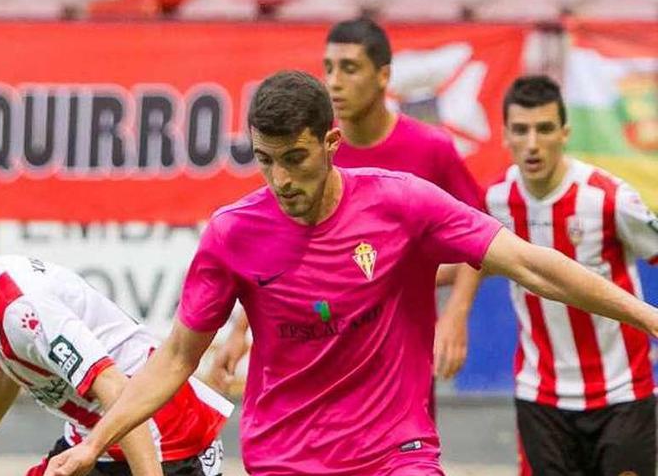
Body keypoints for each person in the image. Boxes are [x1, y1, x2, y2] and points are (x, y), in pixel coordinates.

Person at [44, 71, 658, 476]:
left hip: (398, 451)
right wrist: (97, 444)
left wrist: (647, 315)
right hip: (285, 456)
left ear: (332, 141)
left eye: (295, 158)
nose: (281, 179)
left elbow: (530, 263)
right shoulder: (232, 233)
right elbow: (176, 358)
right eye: (265, 160)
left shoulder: (402, 202)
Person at [208, 18, 483, 393]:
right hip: (322, 336)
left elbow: (479, 235)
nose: (334, 81)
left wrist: (456, 312)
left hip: (402, 340)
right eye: (329, 68)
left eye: (349, 68)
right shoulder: (315, 151)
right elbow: (280, 244)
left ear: (383, 75)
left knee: (403, 442)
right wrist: (239, 330)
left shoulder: (431, 148)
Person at [0, 195, 232, 476]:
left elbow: (115, 388)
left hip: (163, 435)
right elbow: (7, 359)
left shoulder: (20, 308)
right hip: (100, 433)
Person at [485, 75, 658, 476]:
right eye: (521, 130)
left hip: (622, 391)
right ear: (505, 135)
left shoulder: (609, 197)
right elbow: (470, 259)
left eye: (544, 129)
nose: (532, 143)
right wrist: (456, 313)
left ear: (564, 132)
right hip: (540, 395)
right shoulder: (494, 199)